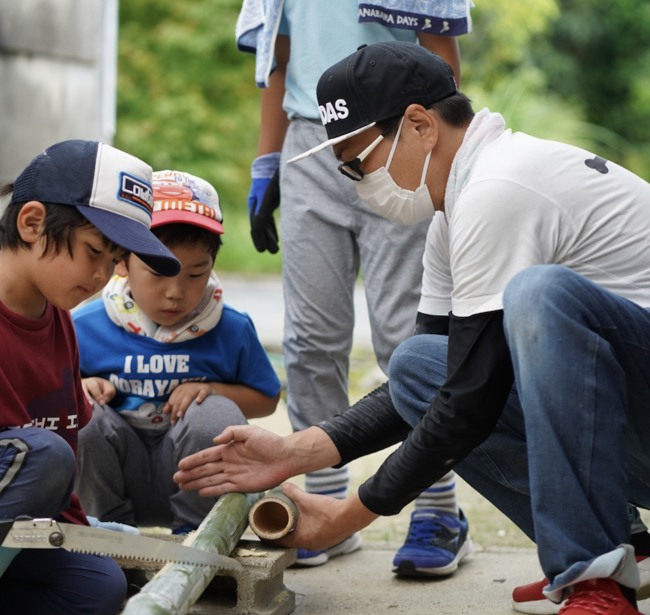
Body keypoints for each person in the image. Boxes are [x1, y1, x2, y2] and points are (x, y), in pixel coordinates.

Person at [175, 41, 650, 615]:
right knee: (418, 363)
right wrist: (295, 451)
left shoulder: (501, 187)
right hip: (631, 418)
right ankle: (625, 552)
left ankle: (595, 576)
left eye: (357, 162)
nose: (356, 183)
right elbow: (435, 385)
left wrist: (350, 515)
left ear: (420, 125)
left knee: (539, 297)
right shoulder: (454, 213)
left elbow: (468, 401)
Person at [237, 0, 472, 573]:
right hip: (309, 145)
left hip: (395, 134)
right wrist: (267, 160)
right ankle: (322, 500)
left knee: (405, 337)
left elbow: (440, 51)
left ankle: (438, 508)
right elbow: (278, 54)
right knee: (313, 334)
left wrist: (439, 150)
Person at [0, 140, 181, 614]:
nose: (103, 275)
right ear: (32, 222)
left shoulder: (59, 316)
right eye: (94, 250)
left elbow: (54, 464)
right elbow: (39, 461)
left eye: (114, 260)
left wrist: (89, 532)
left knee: (97, 586)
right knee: (42, 455)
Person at [73, 171, 281, 535]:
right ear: (120, 262)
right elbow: (44, 394)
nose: (176, 292)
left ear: (212, 266)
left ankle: (200, 539)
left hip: (192, 481)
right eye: (158, 273)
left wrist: (216, 391)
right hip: (118, 478)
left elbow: (266, 399)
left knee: (213, 413)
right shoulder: (84, 325)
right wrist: (83, 385)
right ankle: (108, 542)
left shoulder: (230, 327)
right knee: (78, 411)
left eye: (196, 274)